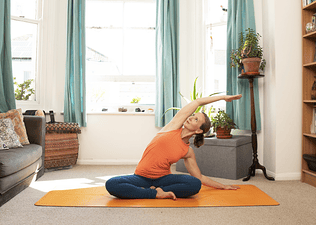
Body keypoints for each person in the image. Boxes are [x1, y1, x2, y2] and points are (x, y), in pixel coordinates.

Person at [106, 94, 242, 200]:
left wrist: (223, 186)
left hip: (163, 180)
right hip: (141, 177)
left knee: (194, 184)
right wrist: (223, 98)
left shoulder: (187, 151)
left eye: (195, 119)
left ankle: (155, 191)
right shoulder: (172, 127)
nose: (190, 118)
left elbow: (199, 177)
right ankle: (154, 194)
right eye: (193, 115)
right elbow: (197, 102)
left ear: (199, 130)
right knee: (112, 184)